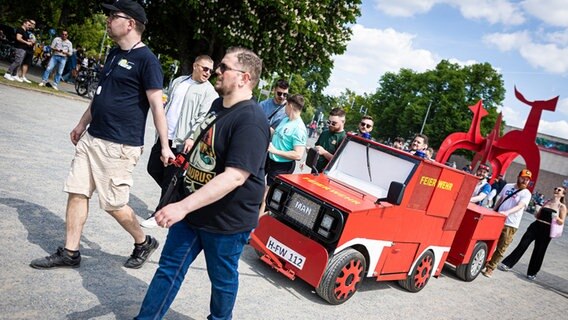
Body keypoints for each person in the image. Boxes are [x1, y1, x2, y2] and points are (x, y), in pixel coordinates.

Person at [30, 0, 174, 270]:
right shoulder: (114, 54)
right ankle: (70, 252)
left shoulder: (148, 61)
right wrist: (82, 124)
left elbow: (157, 106)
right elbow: (100, 96)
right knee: (77, 191)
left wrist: (165, 146)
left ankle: (143, 241)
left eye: (113, 16)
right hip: (93, 138)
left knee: (113, 204)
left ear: (130, 23)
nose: (108, 20)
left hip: (119, 146)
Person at [135, 46, 269, 320]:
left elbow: (235, 176)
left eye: (224, 67)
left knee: (221, 281)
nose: (217, 71)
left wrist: (181, 207)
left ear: (244, 78)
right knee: (169, 269)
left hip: (226, 221)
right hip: (193, 210)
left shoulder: (252, 121)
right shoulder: (218, 105)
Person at [142, 54, 218, 228]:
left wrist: (192, 137)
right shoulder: (179, 81)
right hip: (164, 136)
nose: (208, 73)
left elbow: (203, 118)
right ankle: (177, 197)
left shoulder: (209, 92)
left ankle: (159, 214)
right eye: (205, 68)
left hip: (183, 141)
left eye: (211, 71)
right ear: (195, 65)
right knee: (153, 168)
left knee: (170, 178)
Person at [498, 186, 566, 281]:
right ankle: (507, 264)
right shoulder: (547, 202)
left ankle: (532, 273)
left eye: (559, 190)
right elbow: (538, 216)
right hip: (536, 226)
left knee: (539, 251)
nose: (556, 190)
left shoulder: (562, 206)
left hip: (547, 230)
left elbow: (561, 221)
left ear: (562, 194)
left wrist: (556, 217)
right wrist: (537, 212)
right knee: (522, 244)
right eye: (555, 188)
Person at [260, 94, 307, 215]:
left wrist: (275, 151)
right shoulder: (286, 119)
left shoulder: (299, 128)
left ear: (290, 105)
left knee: (267, 195)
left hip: (282, 165)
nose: (284, 107)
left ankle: (255, 226)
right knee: (258, 186)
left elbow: (298, 154)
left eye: (286, 104)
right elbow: (278, 134)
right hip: (270, 159)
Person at [482, 169, 533, 278]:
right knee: (488, 241)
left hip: (511, 224)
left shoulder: (526, 193)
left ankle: (491, 267)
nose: (525, 181)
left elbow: (520, 206)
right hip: (498, 219)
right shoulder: (508, 186)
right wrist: (494, 211)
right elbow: (500, 200)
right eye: (523, 178)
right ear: (518, 176)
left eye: (528, 180)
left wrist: (507, 212)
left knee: (501, 247)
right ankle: (483, 262)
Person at [313, 108, 347, 172]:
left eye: (334, 123)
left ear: (343, 122)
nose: (330, 125)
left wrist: (324, 152)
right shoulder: (324, 133)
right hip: (314, 170)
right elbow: (316, 148)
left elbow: (339, 162)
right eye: (329, 122)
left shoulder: (344, 139)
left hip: (327, 175)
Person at [16, 19, 36, 83]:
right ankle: (16, 74)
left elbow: (34, 39)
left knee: (27, 63)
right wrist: (28, 41)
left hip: (30, 49)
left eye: (34, 24)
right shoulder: (25, 29)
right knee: (20, 61)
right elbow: (22, 38)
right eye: (31, 23)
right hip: (24, 47)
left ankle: (23, 76)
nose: (33, 25)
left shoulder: (34, 32)